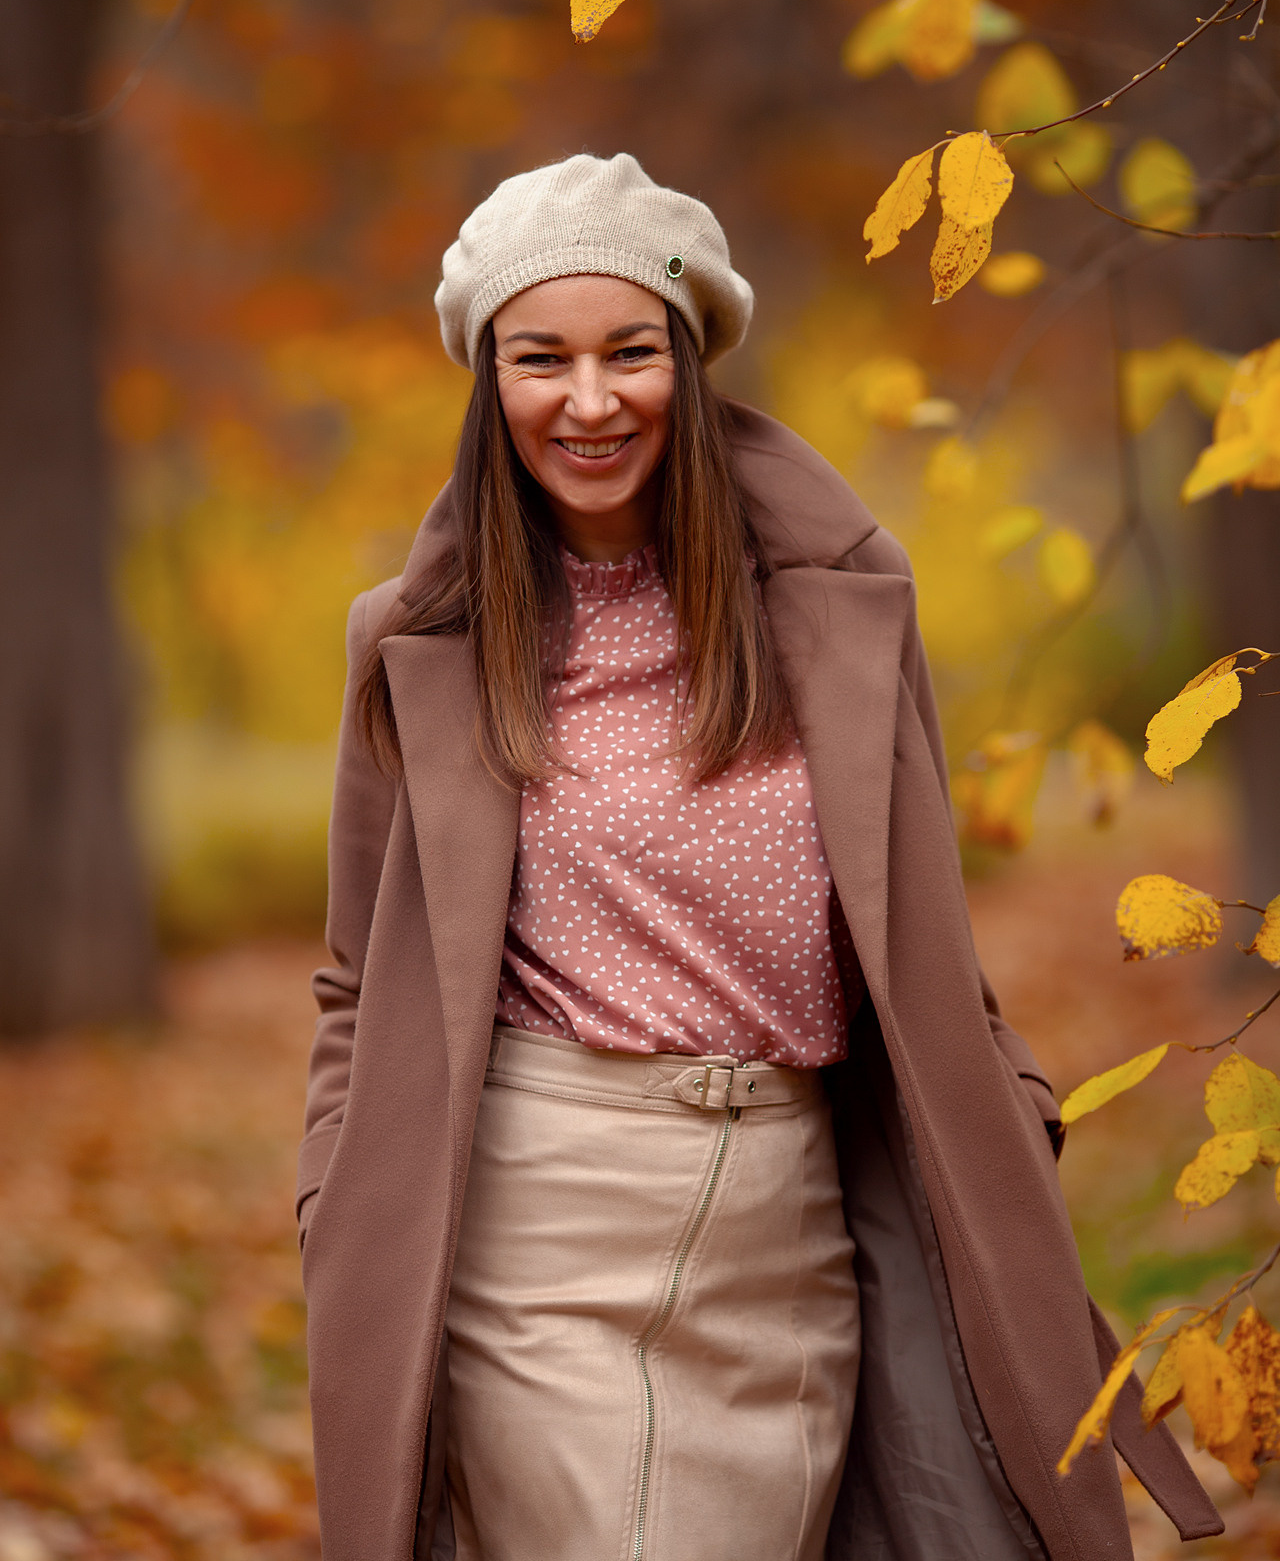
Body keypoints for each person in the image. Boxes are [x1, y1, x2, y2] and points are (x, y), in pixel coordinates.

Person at [297, 153, 1217, 1561]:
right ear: (490, 380)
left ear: (694, 352)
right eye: (540, 358)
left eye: (630, 352)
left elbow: (922, 942)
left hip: (791, 1236)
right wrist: (331, 1208)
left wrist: (1011, 1115)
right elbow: (357, 983)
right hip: (541, 1226)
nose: (590, 401)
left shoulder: (843, 608)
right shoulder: (417, 643)